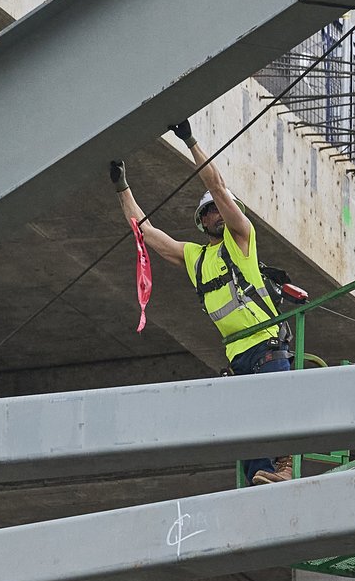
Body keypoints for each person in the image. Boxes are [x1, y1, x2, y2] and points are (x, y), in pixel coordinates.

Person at [111, 118, 297, 484]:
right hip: (238, 357)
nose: (216, 213)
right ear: (201, 221)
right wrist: (121, 186)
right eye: (208, 211)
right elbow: (145, 232)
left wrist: (190, 140)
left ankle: (284, 470)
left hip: (267, 348)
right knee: (249, 448)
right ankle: (265, 483)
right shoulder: (195, 257)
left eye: (220, 208)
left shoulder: (241, 238)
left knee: (272, 417)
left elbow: (217, 185)